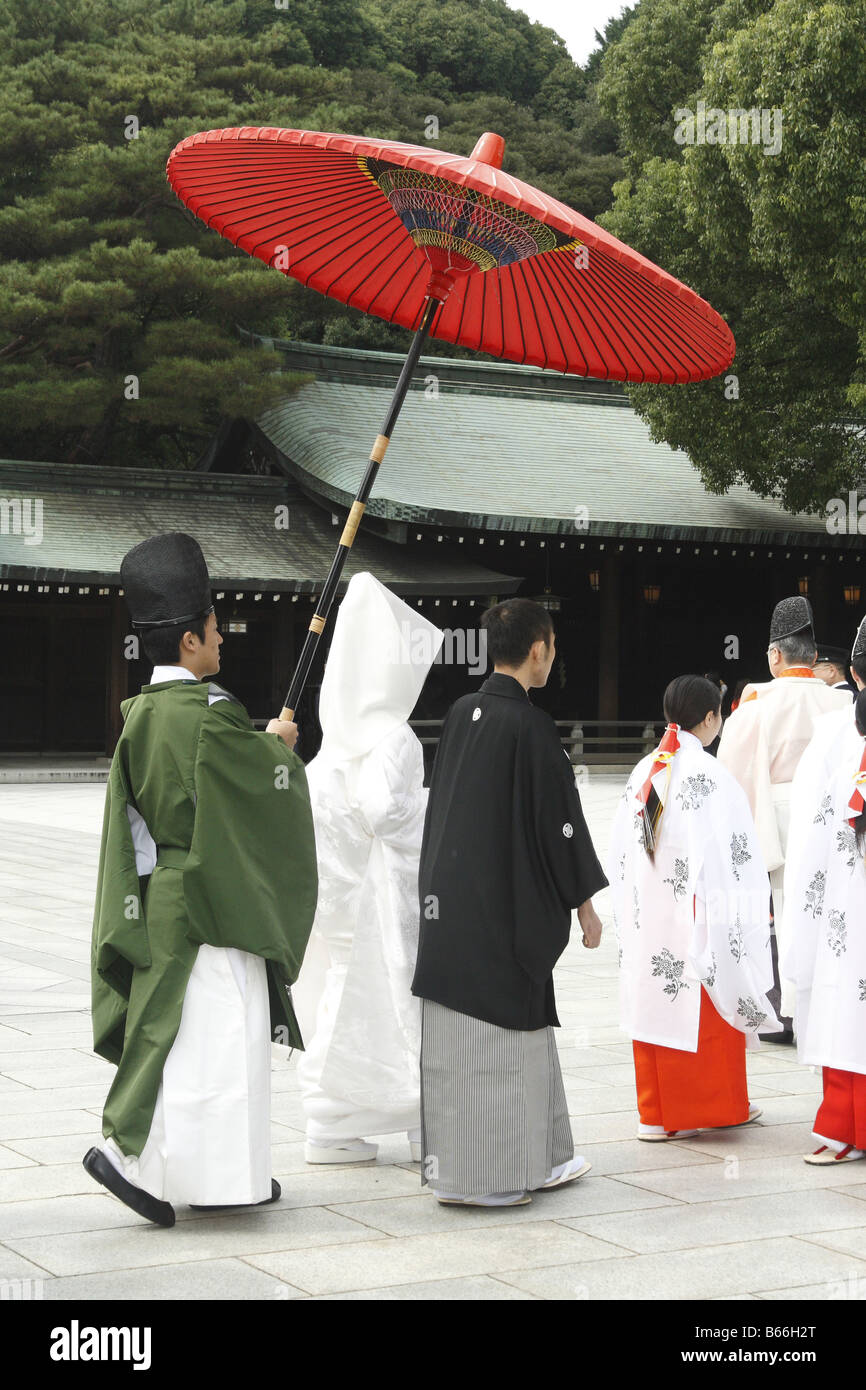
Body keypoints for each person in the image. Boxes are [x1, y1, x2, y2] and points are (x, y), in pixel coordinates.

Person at [83, 533, 318, 1226]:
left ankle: (209, 1176)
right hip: (211, 904)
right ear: (189, 641)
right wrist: (278, 754)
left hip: (163, 898)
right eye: (216, 630)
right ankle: (143, 1161)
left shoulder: (142, 717)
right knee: (220, 1043)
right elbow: (262, 790)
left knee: (179, 1040)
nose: (223, 641)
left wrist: (261, 747)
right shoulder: (210, 716)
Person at [411, 598, 608, 1207]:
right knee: (506, 1035)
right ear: (539, 649)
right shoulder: (530, 725)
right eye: (553, 646)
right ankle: (495, 1178)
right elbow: (559, 824)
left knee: (461, 1050)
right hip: (503, 914)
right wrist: (582, 902)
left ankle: (531, 1159)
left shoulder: (460, 712)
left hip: (451, 909)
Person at [294, 573, 442, 1165]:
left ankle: (330, 1120)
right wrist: (437, 805)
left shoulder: (332, 744)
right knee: (401, 995)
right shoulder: (394, 737)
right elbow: (387, 811)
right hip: (386, 896)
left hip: (338, 895)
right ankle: (416, 1117)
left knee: (342, 994)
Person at [609, 675, 780, 1139]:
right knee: (702, 1003)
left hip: (651, 915)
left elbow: (622, 849)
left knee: (653, 1001)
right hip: (697, 914)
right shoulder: (711, 774)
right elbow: (737, 856)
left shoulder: (645, 768)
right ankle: (710, 1108)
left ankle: (656, 1113)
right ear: (708, 718)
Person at [717, 596, 850, 1038]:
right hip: (834, 822)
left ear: (776, 655)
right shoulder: (843, 707)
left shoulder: (755, 705)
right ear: (813, 657)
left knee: (781, 914)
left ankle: (783, 1014)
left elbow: (731, 783)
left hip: (775, 824)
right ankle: (831, 1008)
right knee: (833, 910)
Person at [783, 687, 866, 1165]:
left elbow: (813, 852)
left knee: (845, 1014)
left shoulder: (841, 766)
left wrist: (804, 920)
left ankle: (845, 1129)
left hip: (846, 917)